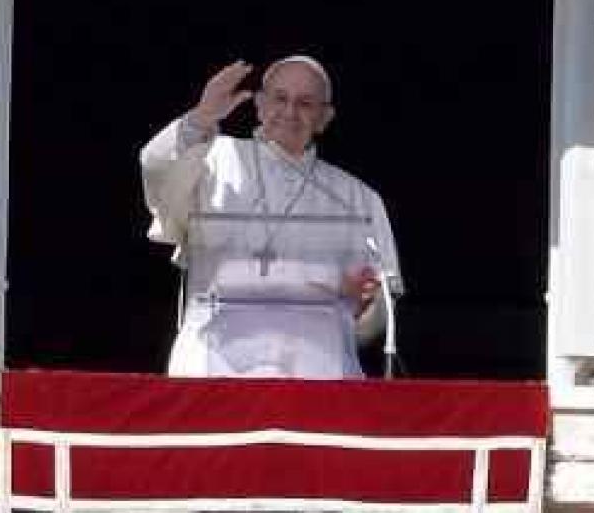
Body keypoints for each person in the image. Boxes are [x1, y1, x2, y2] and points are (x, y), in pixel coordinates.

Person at [140, 57, 403, 378]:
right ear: (260, 104)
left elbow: (377, 314)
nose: (290, 112)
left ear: (325, 117)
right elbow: (158, 175)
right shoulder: (212, 162)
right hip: (214, 364)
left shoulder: (358, 198)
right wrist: (201, 118)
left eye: (305, 103)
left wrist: (364, 308)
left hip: (318, 371)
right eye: (280, 99)